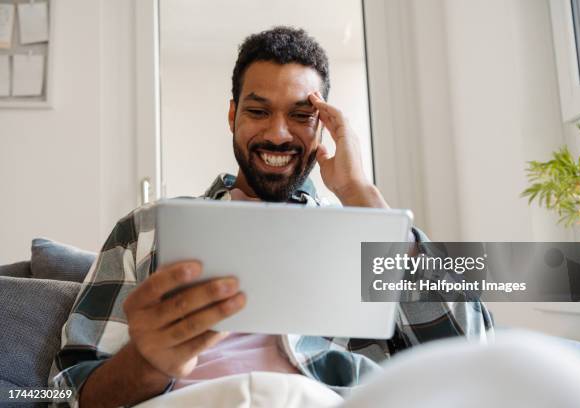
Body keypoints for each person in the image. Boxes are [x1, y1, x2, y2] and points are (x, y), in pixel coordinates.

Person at [49, 26, 493, 408]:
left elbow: (471, 358)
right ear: (232, 116)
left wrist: (360, 194)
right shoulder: (145, 228)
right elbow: (63, 393)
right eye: (258, 111)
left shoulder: (366, 234)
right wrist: (146, 363)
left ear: (323, 128)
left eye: (301, 115)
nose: (278, 133)